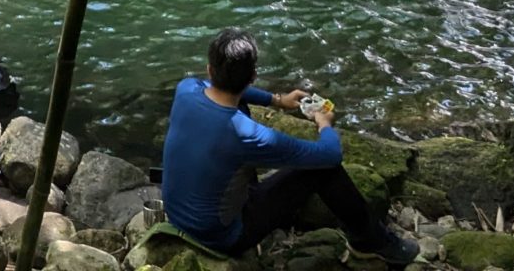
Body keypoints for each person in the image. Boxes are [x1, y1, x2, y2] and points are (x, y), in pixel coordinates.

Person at [159, 29, 416, 265]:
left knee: (240, 109)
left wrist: (278, 100)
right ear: (252, 76)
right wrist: (324, 125)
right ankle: (372, 242)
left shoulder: (186, 90)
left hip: (178, 214)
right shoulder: (246, 134)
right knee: (326, 170)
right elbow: (330, 154)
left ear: (210, 69)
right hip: (221, 235)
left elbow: (225, 91)